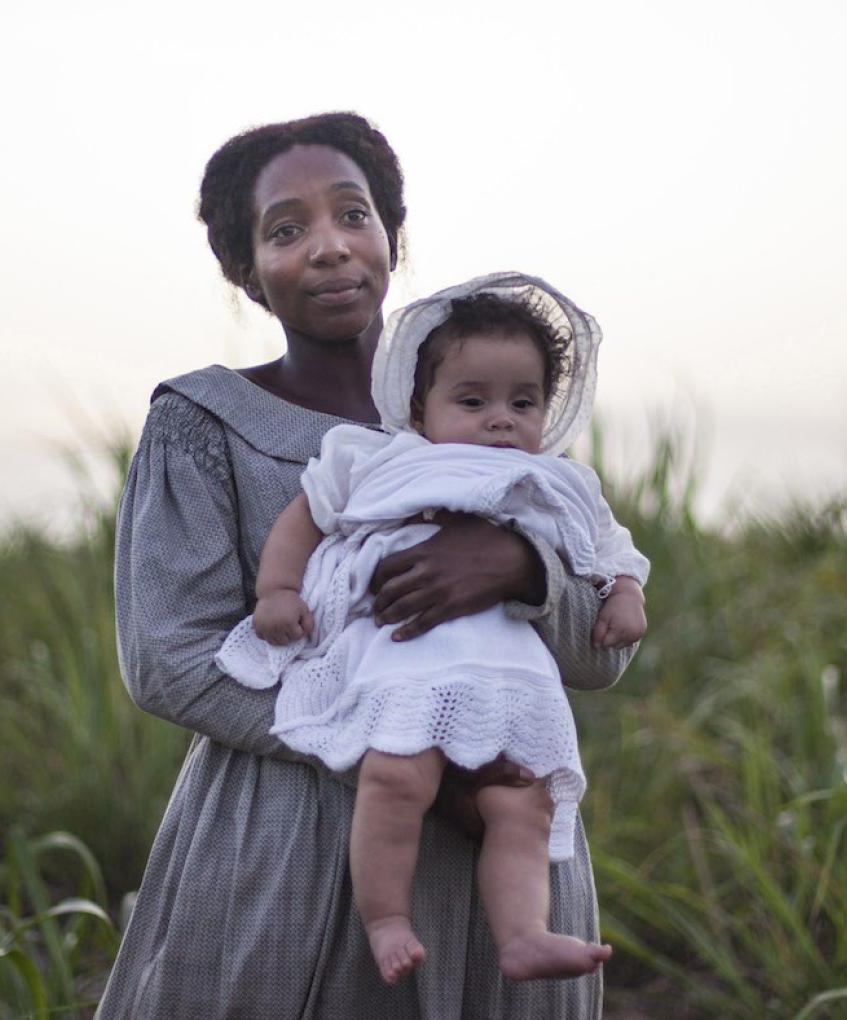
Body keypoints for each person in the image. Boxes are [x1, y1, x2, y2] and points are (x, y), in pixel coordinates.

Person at [99, 113, 633, 1019]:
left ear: (393, 235)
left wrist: (520, 568)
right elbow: (169, 660)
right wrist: (405, 755)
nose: (328, 249)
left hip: (500, 857)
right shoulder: (206, 424)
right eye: (286, 229)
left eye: (353, 215)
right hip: (293, 843)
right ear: (245, 271)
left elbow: (602, 654)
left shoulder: (496, 416)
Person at [214, 273, 649, 986]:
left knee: (523, 805)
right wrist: (279, 589)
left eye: (524, 402)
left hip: (506, 681)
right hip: (404, 668)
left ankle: (524, 934)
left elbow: (610, 552)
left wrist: (625, 595)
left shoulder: (561, 483)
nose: (501, 420)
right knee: (396, 777)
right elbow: (309, 514)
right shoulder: (384, 457)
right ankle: (386, 917)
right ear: (420, 408)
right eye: (472, 401)